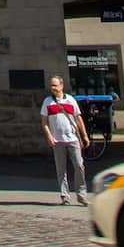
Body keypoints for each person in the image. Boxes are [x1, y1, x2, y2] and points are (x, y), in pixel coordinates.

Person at [42, 76, 90, 205]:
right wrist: (49, 136)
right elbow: (44, 122)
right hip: (57, 140)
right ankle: (65, 195)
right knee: (61, 169)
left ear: (61, 86)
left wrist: (84, 135)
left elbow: (78, 118)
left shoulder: (70, 100)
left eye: (55, 85)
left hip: (72, 138)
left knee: (79, 166)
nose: (53, 88)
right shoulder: (47, 102)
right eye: (51, 85)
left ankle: (81, 194)